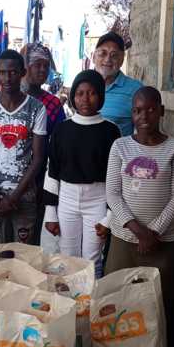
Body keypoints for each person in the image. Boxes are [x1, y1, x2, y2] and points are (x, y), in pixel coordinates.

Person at [104, 87, 174, 331]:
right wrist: (139, 232)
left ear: (161, 111)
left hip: (162, 242)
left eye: (152, 109)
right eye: (138, 111)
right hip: (125, 238)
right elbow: (112, 193)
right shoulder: (120, 146)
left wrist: (153, 233)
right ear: (131, 114)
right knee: (117, 299)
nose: (145, 116)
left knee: (156, 303)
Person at [44, 70, 122, 277]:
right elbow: (52, 172)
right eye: (79, 93)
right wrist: (51, 213)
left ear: (101, 96)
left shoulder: (111, 131)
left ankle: (89, 306)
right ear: (73, 97)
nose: (85, 99)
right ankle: (70, 305)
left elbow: (116, 178)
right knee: (68, 260)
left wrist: (109, 217)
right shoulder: (61, 130)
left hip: (98, 199)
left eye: (92, 93)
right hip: (66, 201)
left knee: (92, 261)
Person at [0, 50, 48, 255]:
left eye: (13, 72)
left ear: (23, 72)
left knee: (24, 255)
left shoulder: (36, 108)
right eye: (2, 73)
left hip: (23, 193)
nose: (7, 78)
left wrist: (13, 198)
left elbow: (38, 158)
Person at [22, 43, 67, 247]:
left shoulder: (53, 104)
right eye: (36, 65)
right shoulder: (13, 99)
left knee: (31, 237)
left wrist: (47, 182)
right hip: (9, 179)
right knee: (6, 239)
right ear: (26, 67)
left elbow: (59, 146)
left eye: (46, 66)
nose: (42, 70)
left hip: (40, 178)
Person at [94, 32, 145, 137]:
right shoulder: (85, 86)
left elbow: (144, 134)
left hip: (118, 153)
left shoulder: (136, 89)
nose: (107, 59)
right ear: (94, 57)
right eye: (103, 53)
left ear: (121, 60)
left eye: (114, 55)